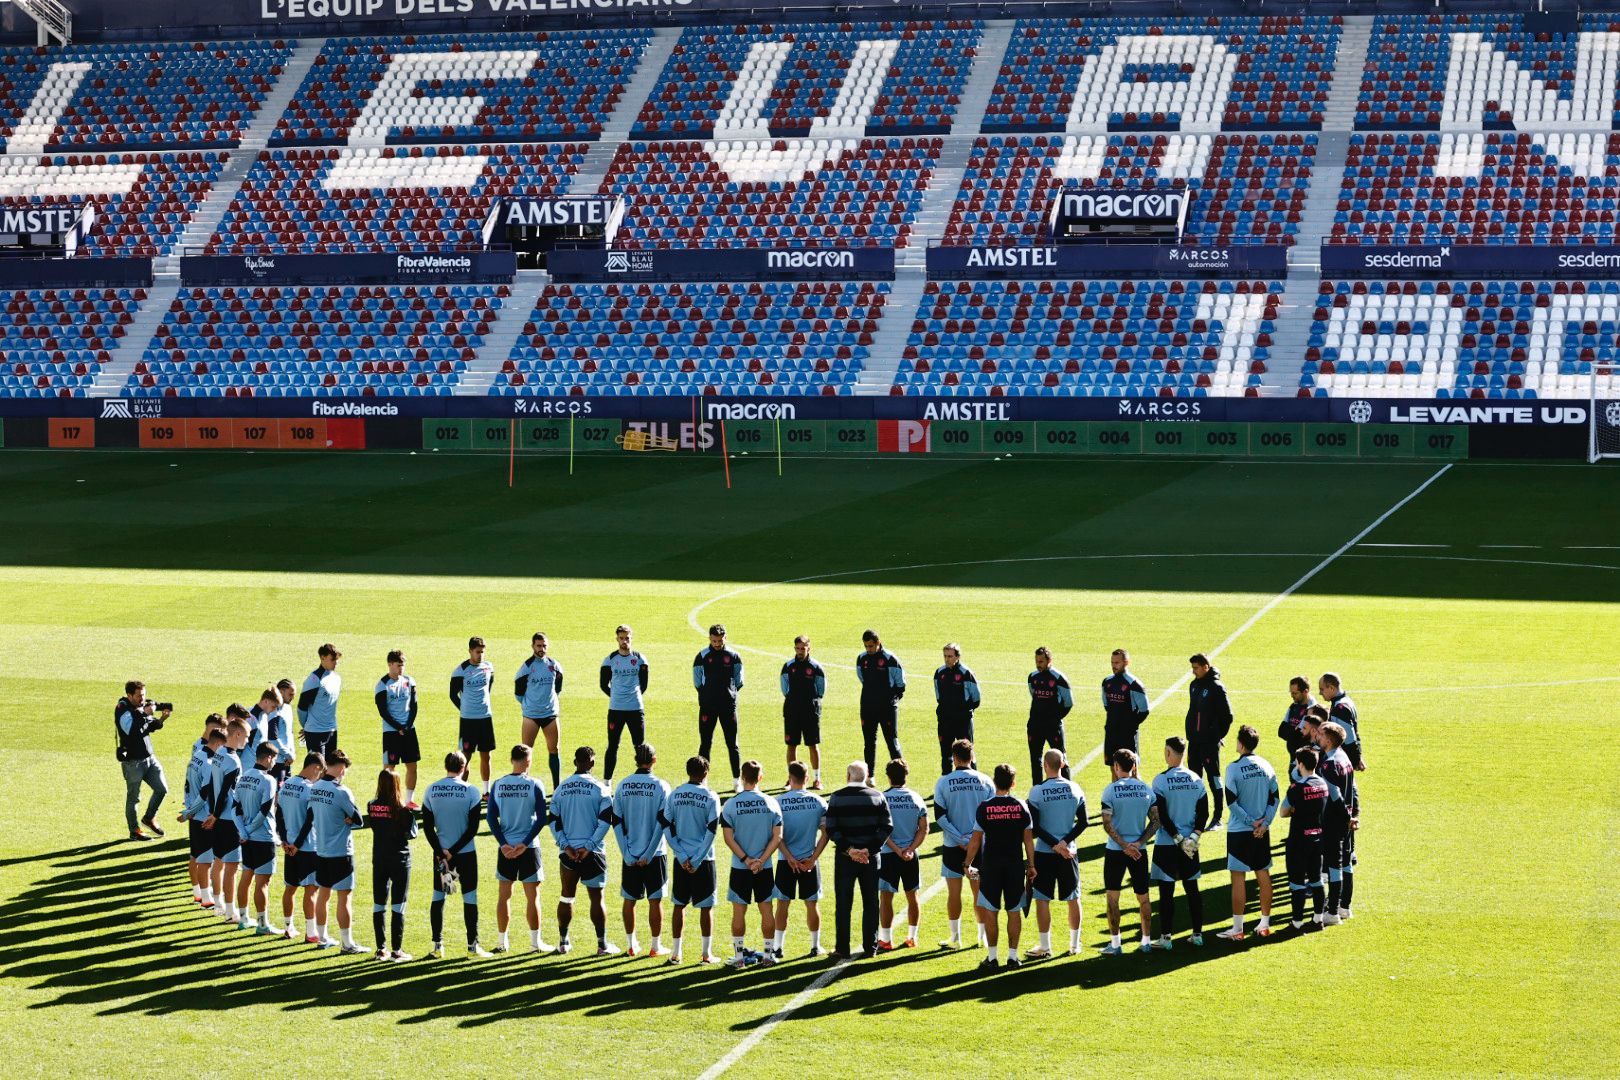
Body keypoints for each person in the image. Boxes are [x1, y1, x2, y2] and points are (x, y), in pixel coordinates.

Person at [964, 763, 1035, 971]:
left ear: (994, 782)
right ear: (1013, 783)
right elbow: (1028, 841)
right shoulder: (1021, 806)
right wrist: (1031, 865)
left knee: (991, 912)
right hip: (1014, 866)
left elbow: (975, 840)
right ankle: (1013, 958)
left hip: (991, 867)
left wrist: (967, 863)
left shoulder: (984, 807)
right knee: (1014, 911)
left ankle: (992, 958)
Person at [422, 751, 490, 958]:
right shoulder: (471, 791)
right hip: (465, 855)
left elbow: (427, 827)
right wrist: (453, 851)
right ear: (464, 768)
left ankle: (437, 946)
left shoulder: (431, 789)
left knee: (439, 896)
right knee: (469, 897)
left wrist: (441, 852)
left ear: (446, 766)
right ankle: (472, 946)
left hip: (441, 857)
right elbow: (472, 829)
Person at [550, 746, 617, 955]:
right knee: (597, 899)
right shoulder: (600, 789)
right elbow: (606, 821)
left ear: (574, 762)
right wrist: (588, 846)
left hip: (568, 854)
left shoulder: (561, 788)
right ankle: (602, 945)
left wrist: (566, 846)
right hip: (593, 853)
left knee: (566, 897)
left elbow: (553, 821)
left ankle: (563, 942)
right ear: (592, 763)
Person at [488, 744, 552, 954]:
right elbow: (542, 818)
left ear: (511, 759)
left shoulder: (498, 784)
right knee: (532, 896)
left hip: (506, 848)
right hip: (529, 848)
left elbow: (491, 818)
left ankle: (501, 942)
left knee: (503, 895)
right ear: (527, 761)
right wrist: (524, 843)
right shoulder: (534, 784)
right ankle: (535, 943)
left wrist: (503, 843)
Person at [824, 761, 891, 960]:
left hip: (845, 859)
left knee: (843, 903)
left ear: (848, 776)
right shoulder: (878, 796)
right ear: (867, 775)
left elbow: (831, 829)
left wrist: (850, 850)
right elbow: (887, 827)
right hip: (871, 859)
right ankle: (870, 947)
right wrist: (867, 850)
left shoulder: (836, 797)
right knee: (871, 902)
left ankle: (842, 948)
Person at [1218, 725, 1279, 941]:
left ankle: (1237, 929)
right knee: (1263, 873)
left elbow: (1231, 802)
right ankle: (1264, 925)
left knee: (1238, 878)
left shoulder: (1233, 768)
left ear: (1241, 744)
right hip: (1262, 832)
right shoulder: (1266, 765)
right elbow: (1275, 798)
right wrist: (1264, 824)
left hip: (1240, 832)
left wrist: (1250, 822)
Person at [1024, 748, 1087, 959]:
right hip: (1069, 852)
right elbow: (1084, 822)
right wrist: (1064, 843)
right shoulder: (1075, 788)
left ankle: (1045, 947)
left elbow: (1035, 827)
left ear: (1045, 766)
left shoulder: (1037, 791)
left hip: (1045, 852)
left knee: (1042, 899)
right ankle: (1074, 945)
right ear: (1062, 764)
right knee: (1073, 897)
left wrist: (1054, 844)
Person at [720, 760, 782, 966]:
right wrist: (761, 860)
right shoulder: (772, 803)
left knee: (739, 912)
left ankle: (738, 958)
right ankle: (767, 956)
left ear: (741, 776)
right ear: (760, 778)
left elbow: (728, 838)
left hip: (740, 867)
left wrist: (746, 860)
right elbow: (778, 837)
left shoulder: (730, 804)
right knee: (767, 910)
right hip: (764, 868)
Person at [612, 742, 671, 957]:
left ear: (635, 759)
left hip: (630, 852)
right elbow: (662, 823)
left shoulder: (623, 785)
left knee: (630, 899)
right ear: (654, 760)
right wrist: (648, 853)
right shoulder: (662, 786)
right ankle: (655, 946)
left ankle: (631, 944)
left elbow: (616, 822)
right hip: (654, 855)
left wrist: (626, 853)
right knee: (655, 900)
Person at [934, 738, 993, 950]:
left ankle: (955, 938)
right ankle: (983, 937)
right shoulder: (985, 781)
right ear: (972, 757)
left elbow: (940, 817)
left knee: (954, 892)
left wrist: (960, 839)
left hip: (952, 847)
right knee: (978, 890)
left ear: (954, 758)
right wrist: (973, 840)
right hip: (978, 848)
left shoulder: (943, 782)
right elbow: (990, 816)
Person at [1150, 736, 1209, 949]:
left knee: (1166, 892)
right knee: (1192, 889)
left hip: (1167, 844)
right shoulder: (1196, 779)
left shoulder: (1161, 780)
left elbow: (1161, 816)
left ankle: (1166, 938)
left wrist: (1177, 838)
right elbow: (1204, 813)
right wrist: (1192, 838)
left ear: (1168, 752)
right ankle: (1198, 934)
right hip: (1190, 846)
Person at [1278, 746, 1345, 932]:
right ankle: (1317, 920)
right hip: (1318, 838)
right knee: (1316, 880)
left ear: (1300, 764)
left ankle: (1297, 923)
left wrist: (1294, 809)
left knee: (1297, 883)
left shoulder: (1296, 787)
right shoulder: (1323, 784)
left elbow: (1283, 812)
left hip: (1298, 840)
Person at [663, 755, 722, 964]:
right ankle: (706, 954)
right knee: (706, 907)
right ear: (705, 773)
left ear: (688, 771)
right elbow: (712, 830)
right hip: (703, 861)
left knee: (679, 905)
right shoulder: (711, 796)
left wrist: (680, 854)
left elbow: (666, 826)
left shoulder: (675, 795)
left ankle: (675, 953)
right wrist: (697, 859)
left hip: (681, 860)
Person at [1099, 748, 1159, 955]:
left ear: (1116, 767)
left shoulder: (1110, 790)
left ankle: (1115, 945)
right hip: (1139, 852)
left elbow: (1107, 824)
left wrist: (1124, 846)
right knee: (1143, 897)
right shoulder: (1146, 790)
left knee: (1113, 898)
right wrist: (1138, 843)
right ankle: (1146, 942)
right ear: (1134, 766)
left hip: (1116, 851)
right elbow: (1156, 821)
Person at [309, 749, 366, 954]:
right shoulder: (341, 791)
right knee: (344, 897)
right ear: (341, 768)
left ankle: (323, 937)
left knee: (323, 895)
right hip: (341, 852)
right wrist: (349, 818)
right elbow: (359, 818)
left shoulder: (314, 788)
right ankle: (347, 943)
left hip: (321, 850)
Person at [771, 761, 828, 958]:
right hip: (809, 863)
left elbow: (775, 836)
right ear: (806, 778)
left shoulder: (778, 802)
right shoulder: (819, 802)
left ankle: (778, 947)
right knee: (812, 904)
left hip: (785, 862)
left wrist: (788, 857)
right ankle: (815, 946)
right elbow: (826, 833)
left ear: (790, 777)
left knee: (782, 905)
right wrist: (813, 858)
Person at [365, 768, 418, 961]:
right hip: (401, 860)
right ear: (397, 785)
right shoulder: (403, 810)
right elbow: (411, 834)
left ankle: (381, 949)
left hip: (379, 859)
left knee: (379, 904)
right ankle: (397, 950)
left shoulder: (371, 805)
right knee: (398, 905)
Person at [1311, 719, 1359, 924]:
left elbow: (1334, 795)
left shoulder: (1329, 764)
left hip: (1334, 821)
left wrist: (1347, 817)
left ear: (1328, 740)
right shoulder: (1344, 758)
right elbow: (1354, 791)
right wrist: (1355, 814)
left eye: (1320, 734)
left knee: (1334, 866)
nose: (1317, 736)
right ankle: (1345, 906)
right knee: (1346, 863)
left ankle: (1332, 912)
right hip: (1347, 820)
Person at [877, 758, 927, 951]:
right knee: (912, 896)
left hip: (889, 855)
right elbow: (924, 828)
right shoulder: (916, 798)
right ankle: (912, 937)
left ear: (888, 776)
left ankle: (886, 940)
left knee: (886, 897)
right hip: (910, 856)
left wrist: (897, 849)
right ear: (906, 775)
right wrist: (910, 849)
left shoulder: (882, 798)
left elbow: (880, 830)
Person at [275, 751, 324, 942]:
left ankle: (289, 927)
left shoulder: (286, 784)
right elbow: (310, 821)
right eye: (319, 772)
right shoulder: (310, 789)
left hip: (289, 847)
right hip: (307, 847)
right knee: (311, 889)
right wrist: (297, 844)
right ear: (315, 767)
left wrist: (285, 840)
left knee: (290, 888)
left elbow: (279, 814)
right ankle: (311, 933)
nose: (318, 776)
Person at [234, 743, 282, 934]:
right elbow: (264, 811)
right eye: (275, 758)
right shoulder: (268, 780)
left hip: (246, 839)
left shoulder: (243, 776)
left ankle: (244, 919)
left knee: (246, 876)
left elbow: (235, 808)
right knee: (263, 883)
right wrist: (248, 830)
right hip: (263, 837)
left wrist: (242, 831)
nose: (275, 763)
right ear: (269, 757)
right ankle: (262, 925)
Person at [693, 623, 746, 793]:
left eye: (720, 640)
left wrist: (729, 693)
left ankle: (737, 780)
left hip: (728, 706)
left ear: (725, 638)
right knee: (705, 743)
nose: (717, 643)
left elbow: (739, 680)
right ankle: (703, 779)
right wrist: (707, 694)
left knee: (732, 744)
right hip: (708, 706)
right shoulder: (702, 656)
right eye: (714, 640)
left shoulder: (734, 656)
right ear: (709, 638)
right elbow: (697, 681)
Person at [115, 679, 171, 841]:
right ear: (129, 695)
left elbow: (147, 727)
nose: (142, 699)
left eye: (144, 695)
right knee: (134, 798)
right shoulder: (122, 710)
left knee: (162, 789)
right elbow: (132, 731)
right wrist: (145, 713)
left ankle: (149, 818)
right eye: (139, 696)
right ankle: (135, 831)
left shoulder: (139, 707)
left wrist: (160, 720)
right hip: (133, 762)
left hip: (149, 758)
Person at [207, 718, 250, 923]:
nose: (247, 741)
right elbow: (226, 791)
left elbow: (214, 786)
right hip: (228, 818)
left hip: (217, 816)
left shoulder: (219, 754)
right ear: (237, 734)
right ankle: (231, 912)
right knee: (232, 867)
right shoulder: (233, 760)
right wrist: (216, 814)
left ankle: (218, 904)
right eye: (247, 736)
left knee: (218, 861)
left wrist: (212, 813)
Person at [1184, 653, 1233, 828]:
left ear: (1206, 667)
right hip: (1194, 742)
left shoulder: (1216, 687)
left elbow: (1227, 716)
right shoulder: (1194, 685)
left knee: (1214, 779)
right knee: (1195, 779)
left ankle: (1218, 816)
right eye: (1192, 668)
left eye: (1196, 668)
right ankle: (1198, 815)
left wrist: (1217, 736)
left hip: (1209, 744)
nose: (1193, 671)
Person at [180, 722, 225, 908]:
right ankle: (207, 900)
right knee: (206, 860)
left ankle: (198, 894)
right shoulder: (208, 764)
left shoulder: (196, 756)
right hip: (203, 816)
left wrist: (188, 810)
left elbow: (188, 786)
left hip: (193, 814)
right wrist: (190, 813)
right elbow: (205, 792)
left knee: (195, 855)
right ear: (218, 744)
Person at [515, 632, 565, 790]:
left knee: (554, 750)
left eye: (544, 646)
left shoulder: (554, 665)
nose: (542, 649)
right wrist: (531, 705)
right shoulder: (526, 668)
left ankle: (557, 787)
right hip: (531, 716)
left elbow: (558, 688)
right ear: (532, 646)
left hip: (550, 714)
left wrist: (549, 702)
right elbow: (518, 693)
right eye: (538, 646)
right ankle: (524, 785)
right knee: (526, 751)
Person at [600, 625, 648, 785]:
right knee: (613, 745)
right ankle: (607, 782)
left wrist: (632, 697)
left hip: (635, 709)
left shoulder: (640, 659)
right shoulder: (609, 660)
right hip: (616, 709)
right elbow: (603, 684)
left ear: (631, 638)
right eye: (621, 638)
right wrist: (616, 697)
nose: (624, 641)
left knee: (639, 746)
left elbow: (644, 684)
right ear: (617, 639)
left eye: (627, 638)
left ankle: (644, 777)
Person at [451, 636, 497, 798]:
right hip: (468, 721)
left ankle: (486, 791)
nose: (480, 655)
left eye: (482, 652)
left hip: (485, 718)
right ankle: (461, 789)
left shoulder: (488, 667)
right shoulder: (461, 670)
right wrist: (464, 709)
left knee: (486, 755)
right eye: (477, 652)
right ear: (470, 651)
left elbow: (488, 687)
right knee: (465, 757)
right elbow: (452, 695)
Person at [855, 629, 905, 777]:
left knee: (892, 742)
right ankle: (870, 776)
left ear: (878, 643)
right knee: (869, 743)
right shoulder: (861, 659)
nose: (868, 649)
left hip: (887, 708)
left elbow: (900, 685)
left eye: (871, 646)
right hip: (867, 706)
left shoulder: (890, 659)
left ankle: (900, 776)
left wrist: (889, 701)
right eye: (866, 646)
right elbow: (862, 679)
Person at [374, 650, 420, 807]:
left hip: (409, 730)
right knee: (389, 769)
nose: (401, 668)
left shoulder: (409, 681)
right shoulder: (382, 685)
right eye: (398, 665)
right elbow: (383, 711)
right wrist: (398, 727)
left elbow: (414, 706)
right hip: (391, 732)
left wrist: (407, 725)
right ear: (390, 664)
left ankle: (409, 800)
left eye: (403, 665)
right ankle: (388, 800)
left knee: (412, 766)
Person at [780, 635, 825, 789]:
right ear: (795, 649)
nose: (800, 651)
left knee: (813, 744)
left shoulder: (816, 667)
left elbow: (821, 689)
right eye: (798, 648)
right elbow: (784, 688)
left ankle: (817, 778)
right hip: (792, 710)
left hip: (811, 711)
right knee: (791, 745)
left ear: (808, 648)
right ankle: (791, 778)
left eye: (803, 648)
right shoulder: (788, 666)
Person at [932, 644, 981, 777]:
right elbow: (938, 696)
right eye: (945, 656)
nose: (947, 659)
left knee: (967, 752)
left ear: (957, 657)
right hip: (945, 720)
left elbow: (976, 699)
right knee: (945, 754)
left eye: (950, 656)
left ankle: (974, 779)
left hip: (962, 721)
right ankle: (945, 782)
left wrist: (962, 710)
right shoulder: (939, 673)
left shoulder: (966, 673)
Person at [1026, 648, 1073, 780]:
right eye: (1036, 661)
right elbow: (1033, 695)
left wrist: (1055, 717)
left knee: (1061, 758)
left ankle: (1067, 788)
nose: (1038, 664)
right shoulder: (1032, 677)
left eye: (1041, 661)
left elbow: (1068, 702)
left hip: (1053, 726)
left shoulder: (1059, 678)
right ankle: (1037, 791)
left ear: (1049, 660)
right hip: (1035, 725)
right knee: (1035, 760)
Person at [1101, 648, 1150, 761]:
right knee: (1113, 767)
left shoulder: (1134, 684)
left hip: (1127, 735)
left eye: (1117, 663)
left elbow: (1144, 710)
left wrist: (1130, 725)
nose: (1114, 666)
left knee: (1132, 768)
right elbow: (1106, 705)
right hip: (1111, 731)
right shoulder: (1107, 682)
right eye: (1112, 663)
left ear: (1126, 663)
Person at [297, 644, 343, 757]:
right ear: (322, 657)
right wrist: (307, 727)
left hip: (332, 730)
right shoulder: (314, 680)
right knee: (317, 768)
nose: (335, 663)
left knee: (331, 768)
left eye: (336, 659)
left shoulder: (337, 678)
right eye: (332, 659)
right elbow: (301, 707)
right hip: (315, 732)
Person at [1319, 673, 1365, 772]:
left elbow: (1349, 737)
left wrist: (1355, 759)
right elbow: (1355, 731)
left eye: (1322, 689)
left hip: (1341, 761)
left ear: (1331, 688)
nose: (1320, 693)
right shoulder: (1347, 701)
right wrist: (1358, 756)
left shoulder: (1340, 708)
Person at [252, 688, 294, 784]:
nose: (274, 710)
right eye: (273, 706)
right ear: (266, 701)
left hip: (258, 766)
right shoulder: (252, 718)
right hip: (249, 767)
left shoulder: (264, 716)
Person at [1278, 676, 1315, 759]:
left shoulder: (1313, 710)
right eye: (1291, 692)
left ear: (1305, 691)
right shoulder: (1293, 706)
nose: (1292, 696)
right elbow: (1281, 732)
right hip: (1293, 758)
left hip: (1305, 759)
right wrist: (1294, 731)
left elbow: (1300, 737)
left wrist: (1291, 731)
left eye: (1295, 693)